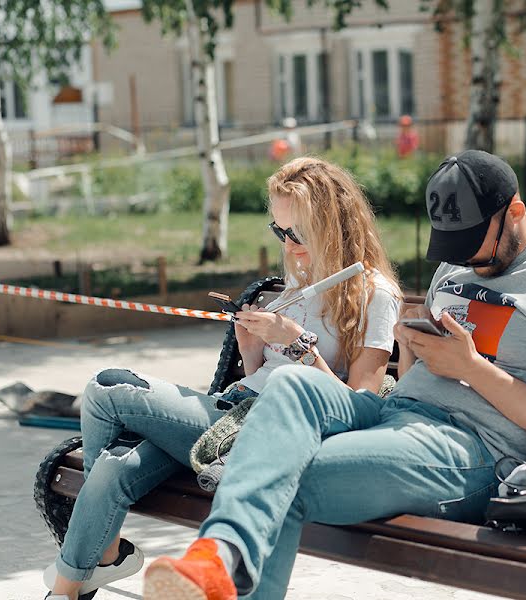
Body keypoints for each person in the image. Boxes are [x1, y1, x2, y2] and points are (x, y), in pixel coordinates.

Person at [141, 150, 526, 600]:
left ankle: (219, 558)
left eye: (475, 246)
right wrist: (413, 349)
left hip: (474, 450)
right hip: (395, 417)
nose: (466, 261)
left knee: (281, 474)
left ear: (514, 212)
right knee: (290, 382)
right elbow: (416, 374)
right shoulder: (453, 266)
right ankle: (216, 558)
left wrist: (473, 370)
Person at [42, 157, 402, 600]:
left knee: (107, 387)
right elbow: (263, 377)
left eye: (298, 233)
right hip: (232, 411)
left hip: (265, 430)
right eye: (279, 231)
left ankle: (106, 556)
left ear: (333, 225)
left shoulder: (374, 295)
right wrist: (252, 350)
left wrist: (298, 347)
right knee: (113, 468)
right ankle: (70, 588)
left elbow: (360, 406)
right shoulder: (301, 274)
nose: (288, 245)